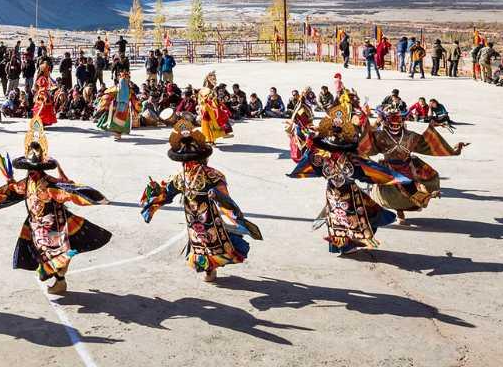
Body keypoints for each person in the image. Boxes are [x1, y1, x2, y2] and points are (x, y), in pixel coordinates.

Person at [0, 122, 111, 295]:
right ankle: (59, 282)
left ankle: (54, 273)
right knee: (43, 252)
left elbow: (68, 193)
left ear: (41, 169)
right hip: (35, 223)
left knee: (51, 254)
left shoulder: (50, 184)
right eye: (29, 169)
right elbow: (13, 191)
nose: (32, 172)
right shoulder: (27, 182)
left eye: (35, 169)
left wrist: (91, 196)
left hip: (53, 224)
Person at [140, 121, 261, 282]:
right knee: (206, 241)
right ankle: (210, 269)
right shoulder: (208, 175)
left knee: (206, 240)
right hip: (198, 217)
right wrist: (155, 193)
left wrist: (217, 195)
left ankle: (209, 270)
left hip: (202, 216)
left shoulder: (186, 176)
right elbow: (167, 193)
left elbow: (167, 194)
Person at [288, 108, 412, 254]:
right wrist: (393, 178)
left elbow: (307, 160)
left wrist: (304, 138)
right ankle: (348, 245)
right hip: (348, 192)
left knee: (338, 217)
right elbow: (367, 173)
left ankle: (342, 246)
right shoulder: (351, 159)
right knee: (355, 216)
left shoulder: (320, 157)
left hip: (332, 192)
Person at [360, 107, 468, 224]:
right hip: (389, 169)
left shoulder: (410, 136)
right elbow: (365, 144)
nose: (395, 126)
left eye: (398, 123)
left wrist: (454, 150)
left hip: (408, 167)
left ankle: (417, 201)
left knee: (412, 190)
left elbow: (427, 145)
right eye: (392, 123)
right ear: (386, 122)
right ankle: (400, 212)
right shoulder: (380, 136)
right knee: (394, 193)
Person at [94, 70, 133, 141]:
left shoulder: (128, 89)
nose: (126, 80)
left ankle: (118, 134)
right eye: (124, 79)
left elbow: (132, 98)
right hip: (117, 107)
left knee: (120, 121)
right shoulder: (117, 88)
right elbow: (108, 94)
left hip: (124, 108)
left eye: (127, 78)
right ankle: (117, 134)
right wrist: (104, 104)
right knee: (116, 121)